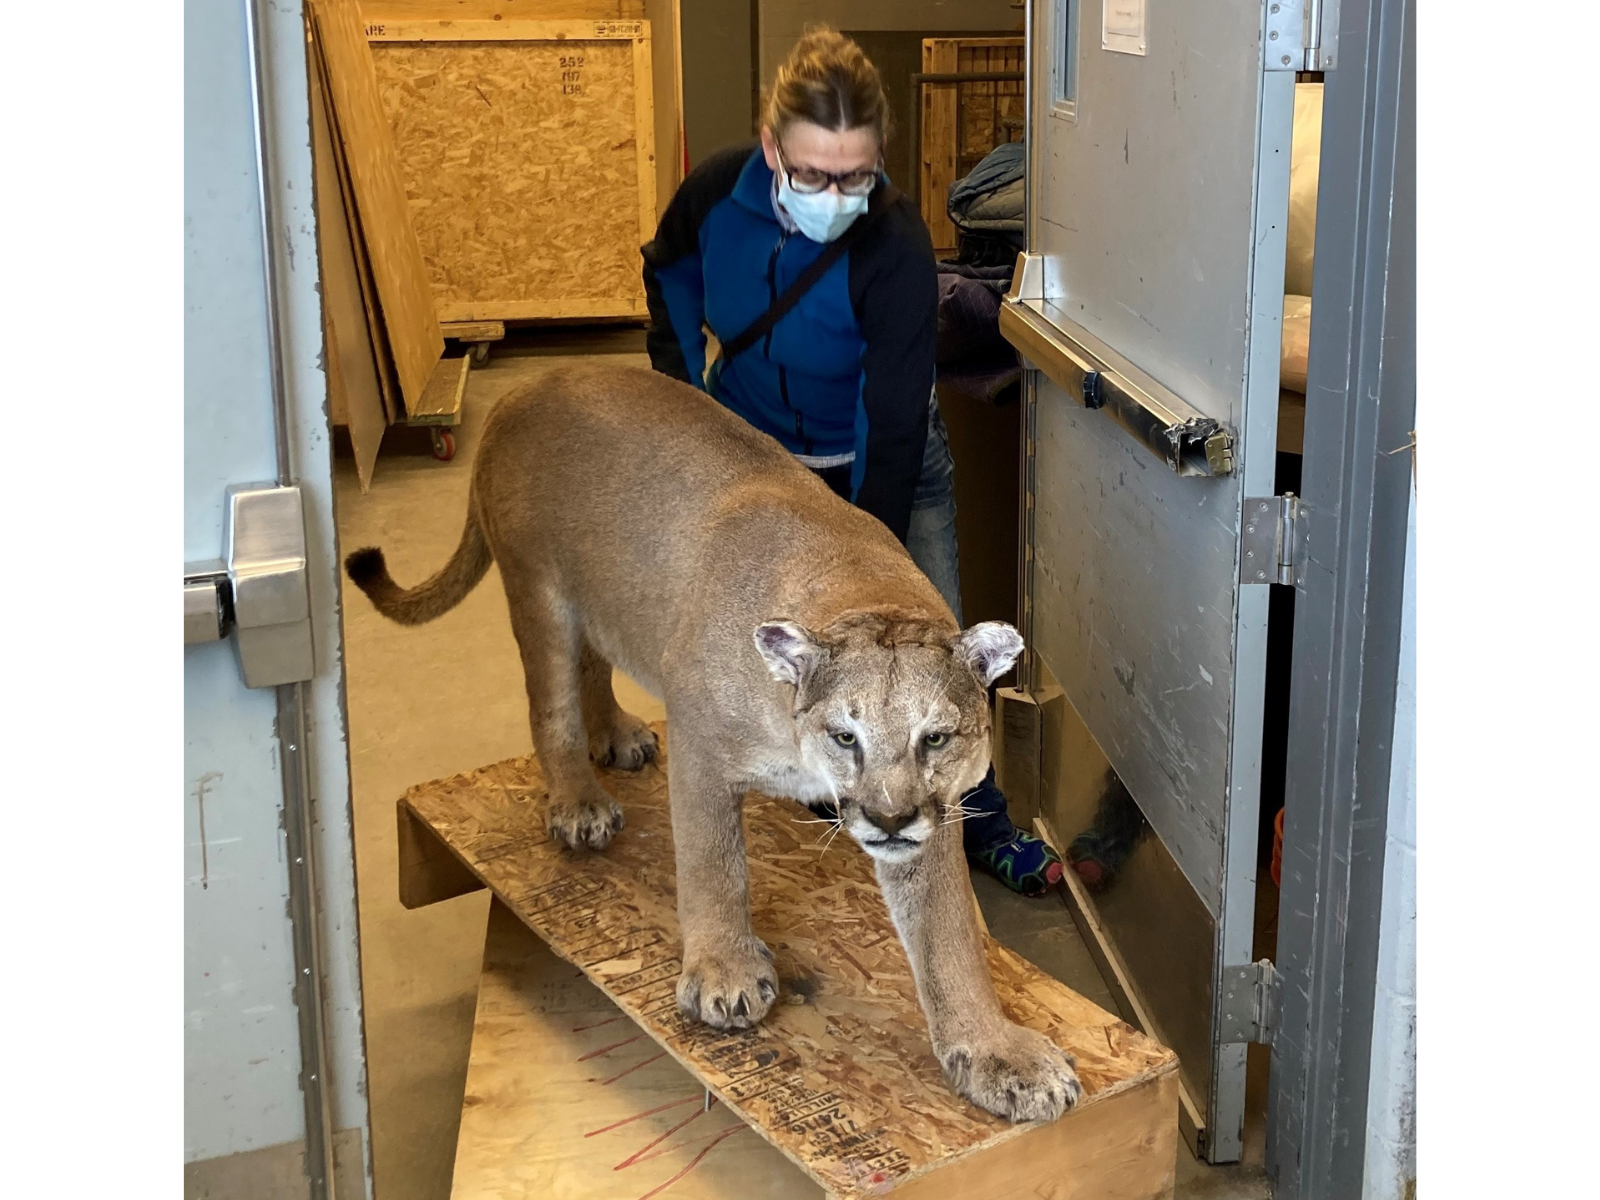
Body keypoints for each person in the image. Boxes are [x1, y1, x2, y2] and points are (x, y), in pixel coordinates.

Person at [640, 28, 1063, 897]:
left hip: (879, 458)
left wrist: (869, 552)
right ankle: (826, 797)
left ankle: (980, 820)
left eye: (856, 177)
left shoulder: (894, 245)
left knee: (926, 664)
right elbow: (669, 274)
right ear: (770, 150)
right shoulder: (719, 192)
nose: (836, 195)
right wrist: (683, 406)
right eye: (813, 175)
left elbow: (894, 419)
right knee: (789, 664)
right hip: (754, 462)